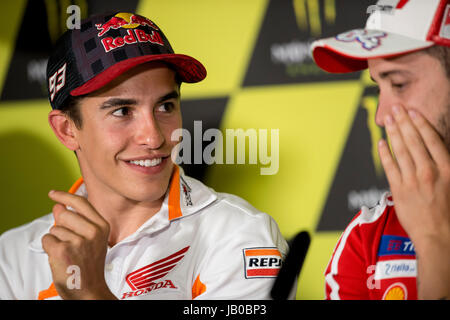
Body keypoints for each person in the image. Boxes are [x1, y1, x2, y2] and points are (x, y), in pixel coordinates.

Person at [0, 12, 290, 300]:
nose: (154, 138)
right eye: (122, 111)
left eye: (165, 106)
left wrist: (90, 294)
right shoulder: (12, 257)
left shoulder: (242, 235)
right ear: (66, 130)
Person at [311, 0, 450, 300]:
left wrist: (434, 241)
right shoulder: (367, 236)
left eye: (399, 83)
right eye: (378, 88)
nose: (381, 116)